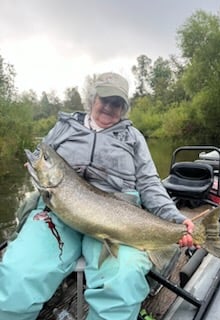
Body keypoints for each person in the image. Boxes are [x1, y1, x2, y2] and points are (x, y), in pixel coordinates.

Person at [0, 72, 194, 320]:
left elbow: (149, 184)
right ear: (92, 99)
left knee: (124, 280)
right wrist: (38, 169)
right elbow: (41, 158)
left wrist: (175, 218)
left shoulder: (133, 138)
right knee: (18, 275)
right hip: (58, 216)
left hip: (120, 220)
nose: (109, 107)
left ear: (124, 108)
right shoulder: (64, 127)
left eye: (117, 103)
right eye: (105, 99)